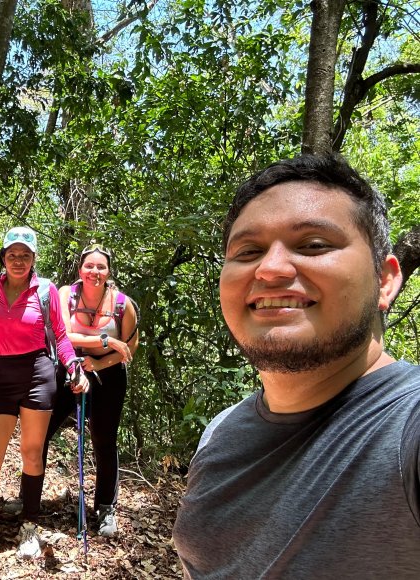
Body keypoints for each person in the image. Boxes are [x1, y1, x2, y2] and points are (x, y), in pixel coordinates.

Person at [172, 154, 420, 577]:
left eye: (314, 245)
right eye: (248, 251)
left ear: (384, 280)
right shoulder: (220, 432)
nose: (270, 269)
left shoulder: (407, 425)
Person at [0, 226, 90, 560]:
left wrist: (73, 368)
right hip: (3, 373)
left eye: (25, 255)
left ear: (34, 258)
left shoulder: (46, 290)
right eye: (12, 255)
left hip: (39, 372)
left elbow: (62, 336)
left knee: (32, 453)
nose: (18, 261)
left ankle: (29, 527)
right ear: (3, 258)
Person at [42, 244, 138, 538]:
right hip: (67, 369)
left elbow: (130, 348)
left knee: (104, 440)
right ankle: (29, 495)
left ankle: (106, 507)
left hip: (107, 375)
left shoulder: (123, 304)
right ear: (80, 269)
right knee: (41, 431)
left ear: (108, 272)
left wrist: (98, 360)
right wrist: (107, 341)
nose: (94, 272)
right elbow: (61, 333)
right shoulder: (65, 295)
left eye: (101, 267)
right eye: (89, 266)